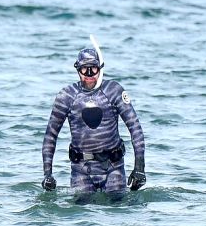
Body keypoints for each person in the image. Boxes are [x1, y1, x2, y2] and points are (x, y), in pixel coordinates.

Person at [41, 41, 145, 198]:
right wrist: (47, 174)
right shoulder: (67, 96)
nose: (89, 74)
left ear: (100, 69)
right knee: (80, 215)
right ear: (78, 70)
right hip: (81, 169)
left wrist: (139, 169)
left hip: (113, 167)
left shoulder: (113, 91)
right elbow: (50, 136)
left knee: (118, 209)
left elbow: (135, 129)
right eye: (85, 69)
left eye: (93, 69)